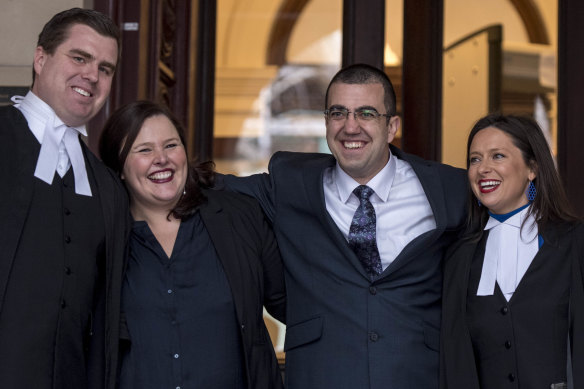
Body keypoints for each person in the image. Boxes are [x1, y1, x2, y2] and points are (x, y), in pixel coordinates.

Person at [217, 63, 468, 388]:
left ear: (391, 126)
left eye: (366, 113)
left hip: (418, 376)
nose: (351, 127)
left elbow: (519, 202)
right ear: (326, 123)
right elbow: (215, 189)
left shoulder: (449, 188)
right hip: (320, 376)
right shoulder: (292, 184)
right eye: (338, 113)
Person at [99, 100, 286, 389]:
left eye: (171, 145)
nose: (161, 158)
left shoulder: (240, 218)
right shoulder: (101, 239)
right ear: (120, 167)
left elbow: (295, 307)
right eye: (144, 150)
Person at [0, 8, 128, 389]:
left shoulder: (107, 187)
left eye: (105, 68)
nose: (92, 74)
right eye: (79, 57)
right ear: (41, 59)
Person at [440, 114, 584, 388]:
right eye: (475, 159)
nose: (483, 168)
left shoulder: (574, 242)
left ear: (532, 168)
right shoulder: (458, 257)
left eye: (498, 156)